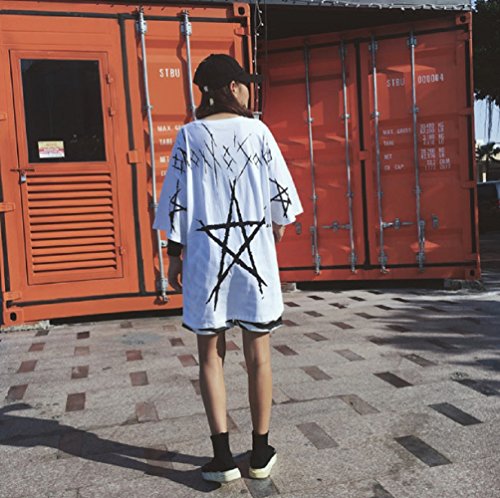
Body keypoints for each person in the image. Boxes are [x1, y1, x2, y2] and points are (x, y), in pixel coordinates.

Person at [153, 54, 302, 483]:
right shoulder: (258, 132)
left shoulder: (189, 136)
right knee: (259, 356)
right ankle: (259, 452)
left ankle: (221, 459)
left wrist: (175, 255)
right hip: (254, 260)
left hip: (207, 260)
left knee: (209, 356)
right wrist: (274, 226)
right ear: (234, 88)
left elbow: (176, 202)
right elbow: (281, 202)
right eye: (246, 84)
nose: (250, 91)